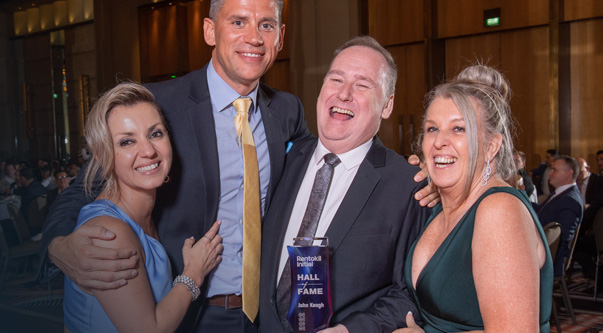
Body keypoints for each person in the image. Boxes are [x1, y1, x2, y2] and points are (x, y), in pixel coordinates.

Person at [260, 36, 430, 332]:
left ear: (387, 106)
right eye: (336, 80)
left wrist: (351, 330)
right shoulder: (280, 160)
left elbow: (412, 296)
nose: (344, 94)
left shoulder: (408, 186)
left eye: (362, 85)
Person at [395, 65, 553, 332]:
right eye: (432, 129)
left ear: (491, 146)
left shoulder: (499, 210)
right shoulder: (440, 205)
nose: (440, 141)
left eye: (458, 129)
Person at [63, 82, 223, 332]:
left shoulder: (144, 215)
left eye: (155, 133)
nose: (148, 150)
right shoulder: (109, 232)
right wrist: (194, 272)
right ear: (102, 154)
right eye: (127, 142)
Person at [535, 155, 583, 276]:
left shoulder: (570, 200)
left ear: (569, 173)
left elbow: (561, 239)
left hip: (550, 259)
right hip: (542, 250)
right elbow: (541, 210)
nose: (550, 173)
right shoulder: (562, 194)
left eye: (554, 170)